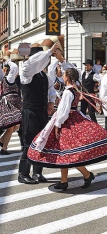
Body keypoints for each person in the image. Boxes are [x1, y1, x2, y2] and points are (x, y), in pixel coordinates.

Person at [27, 67, 107, 191]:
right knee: (64, 153)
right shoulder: (75, 90)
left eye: (64, 75)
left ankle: (84, 175)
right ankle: (66, 180)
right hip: (74, 119)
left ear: (67, 77)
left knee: (67, 153)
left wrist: (57, 125)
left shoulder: (69, 92)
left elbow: (64, 111)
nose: (62, 77)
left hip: (67, 123)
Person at [17, 43, 59, 184]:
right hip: (30, 111)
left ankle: (37, 173)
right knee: (29, 143)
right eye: (42, 59)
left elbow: (51, 90)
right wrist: (48, 53)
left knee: (41, 141)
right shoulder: (26, 70)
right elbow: (32, 62)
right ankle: (23, 173)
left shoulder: (43, 75)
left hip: (41, 111)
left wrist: (51, 101)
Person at [0, 59, 21, 155]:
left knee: (16, 125)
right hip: (9, 104)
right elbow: (15, 67)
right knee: (11, 126)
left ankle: (1, 140)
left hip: (13, 104)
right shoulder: (9, 78)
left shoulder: (8, 78)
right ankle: (4, 149)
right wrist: (8, 61)